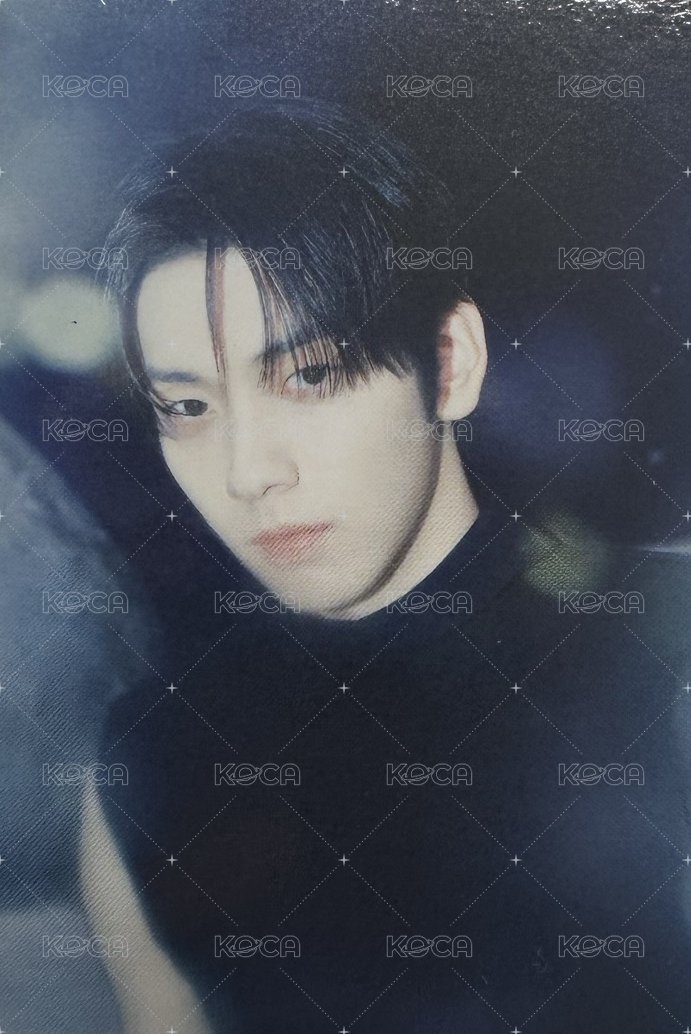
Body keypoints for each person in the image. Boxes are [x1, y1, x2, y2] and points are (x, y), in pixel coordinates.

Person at [94, 100, 691, 1032]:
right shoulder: (153, 746)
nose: (248, 472)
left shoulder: (654, 665)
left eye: (309, 375)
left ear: (449, 363)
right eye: (188, 407)